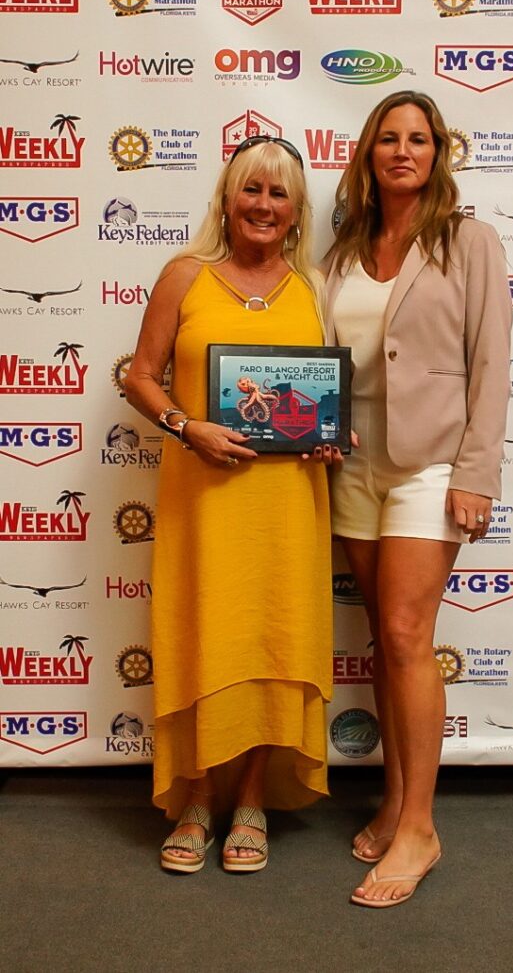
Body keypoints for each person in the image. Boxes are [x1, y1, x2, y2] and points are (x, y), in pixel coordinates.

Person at [124, 135, 339, 874]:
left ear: (296, 210)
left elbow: (323, 397)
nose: (263, 205)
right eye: (251, 189)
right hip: (204, 498)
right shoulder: (185, 276)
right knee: (207, 633)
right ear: (226, 197)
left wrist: (325, 438)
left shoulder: (314, 287)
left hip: (286, 502)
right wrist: (188, 426)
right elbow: (142, 378)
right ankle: (197, 798)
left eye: (279, 194)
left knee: (272, 638)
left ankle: (252, 797)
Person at [322, 90, 512, 907]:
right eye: (389, 139)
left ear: (439, 152)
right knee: (383, 636)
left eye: (420, 138)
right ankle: (395, 799)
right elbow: (331, 359)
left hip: (433, 464)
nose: (404, 151)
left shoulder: (469, 241)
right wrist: (320, 427)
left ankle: (422, 828)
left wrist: (477, 472)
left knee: (406, 632)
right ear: (368, 153)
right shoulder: (342, 250)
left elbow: (492, 366)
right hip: (353, 463)